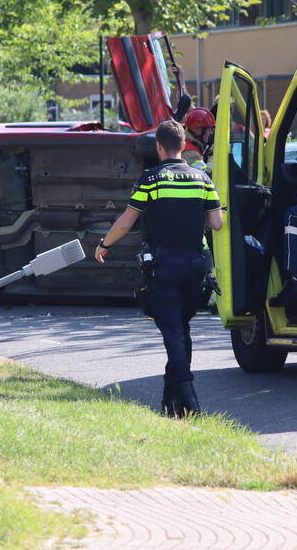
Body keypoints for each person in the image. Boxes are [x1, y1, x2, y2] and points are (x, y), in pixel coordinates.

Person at [94, 120, 224, 417]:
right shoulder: (202, 179)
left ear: (159, 147)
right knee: (181, 329)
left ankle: (190, 400)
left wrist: (105, 245)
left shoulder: (151, 179)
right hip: (195, 266)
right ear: (182, 146)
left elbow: (127, 220)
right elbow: (217, 223)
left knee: (173, 332)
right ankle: (170, 403)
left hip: (164, 266)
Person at [181, 107, 214, 173]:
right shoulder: (190, 153)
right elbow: (206, 174)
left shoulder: (190, 142)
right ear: (197, 129)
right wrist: (213, 155)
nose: (211, 132)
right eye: (208, 129)